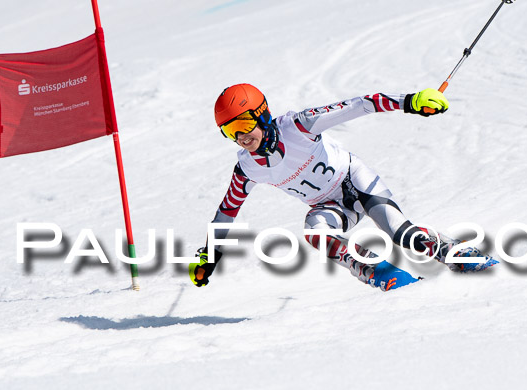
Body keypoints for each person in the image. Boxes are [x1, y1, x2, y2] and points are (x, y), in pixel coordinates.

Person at [190, 84, 497, 291]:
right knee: (315, 232)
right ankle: (380, 272)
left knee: (403, 235)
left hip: (355, 182)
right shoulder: (247, 166)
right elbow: (226, 212)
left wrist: (410, 102)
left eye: (243, 125)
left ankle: (457, 252)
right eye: (230, 131)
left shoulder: (298, 126)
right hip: (328, 207)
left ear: (263, 114)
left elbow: (359, 105)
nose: (241, 137)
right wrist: (209, 255)